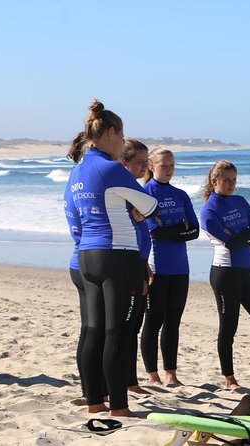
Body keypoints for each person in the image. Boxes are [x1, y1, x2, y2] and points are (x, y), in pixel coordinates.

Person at [67, 99, 158, 417]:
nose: (123, 142)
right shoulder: (110, 169)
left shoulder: (77, 172)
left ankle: (94, 402)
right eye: (122, 136)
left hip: (86, 255)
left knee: (92, 330)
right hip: (115, 254)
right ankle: (119, 407)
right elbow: (149, 207)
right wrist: (131, 209)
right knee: (115, 333)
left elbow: (73, 217)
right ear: (110, 132)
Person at [199, 160, 250, 389]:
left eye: (234, 180)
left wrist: (241, 236)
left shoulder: (240, 201)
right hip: (225, 274)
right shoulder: (209, 211)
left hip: (247, 272)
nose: (231, 184)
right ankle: (229, 378)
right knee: (228, 326)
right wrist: (243, 235)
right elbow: (231, 244)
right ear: (215, 181)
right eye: (226, 180)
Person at [140, 147, 199, 386]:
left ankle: (171, 374)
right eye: (164, 165)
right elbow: (155, 231)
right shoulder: (145, 193)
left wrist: (171, 230)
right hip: (157, 267)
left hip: (180, 268)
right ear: (152, 166)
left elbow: (194, 230)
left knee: (173, 322)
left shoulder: (181, 195)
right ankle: (152, 374)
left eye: (172, 165)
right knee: (153, 321)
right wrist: (177, 230)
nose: (169, 170)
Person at [121, 138, 154, 394]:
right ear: (125, 162)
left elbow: (143, 231)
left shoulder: (134, 189)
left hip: (140, 262)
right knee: (128, 327)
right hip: (128, 264)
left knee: (134, 327)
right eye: (139, 162)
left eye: (146, 162)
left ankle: (131, 381)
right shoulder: (125, 191)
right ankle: (127, 381)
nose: (145, 167)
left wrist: (145, 264)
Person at [63, 132, 90, 400]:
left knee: (90, 328)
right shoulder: (86, 178)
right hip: (88, 260)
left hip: (80, 260)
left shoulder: (75, 179)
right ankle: (91, 390)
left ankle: (90, 388)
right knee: (94, 329)